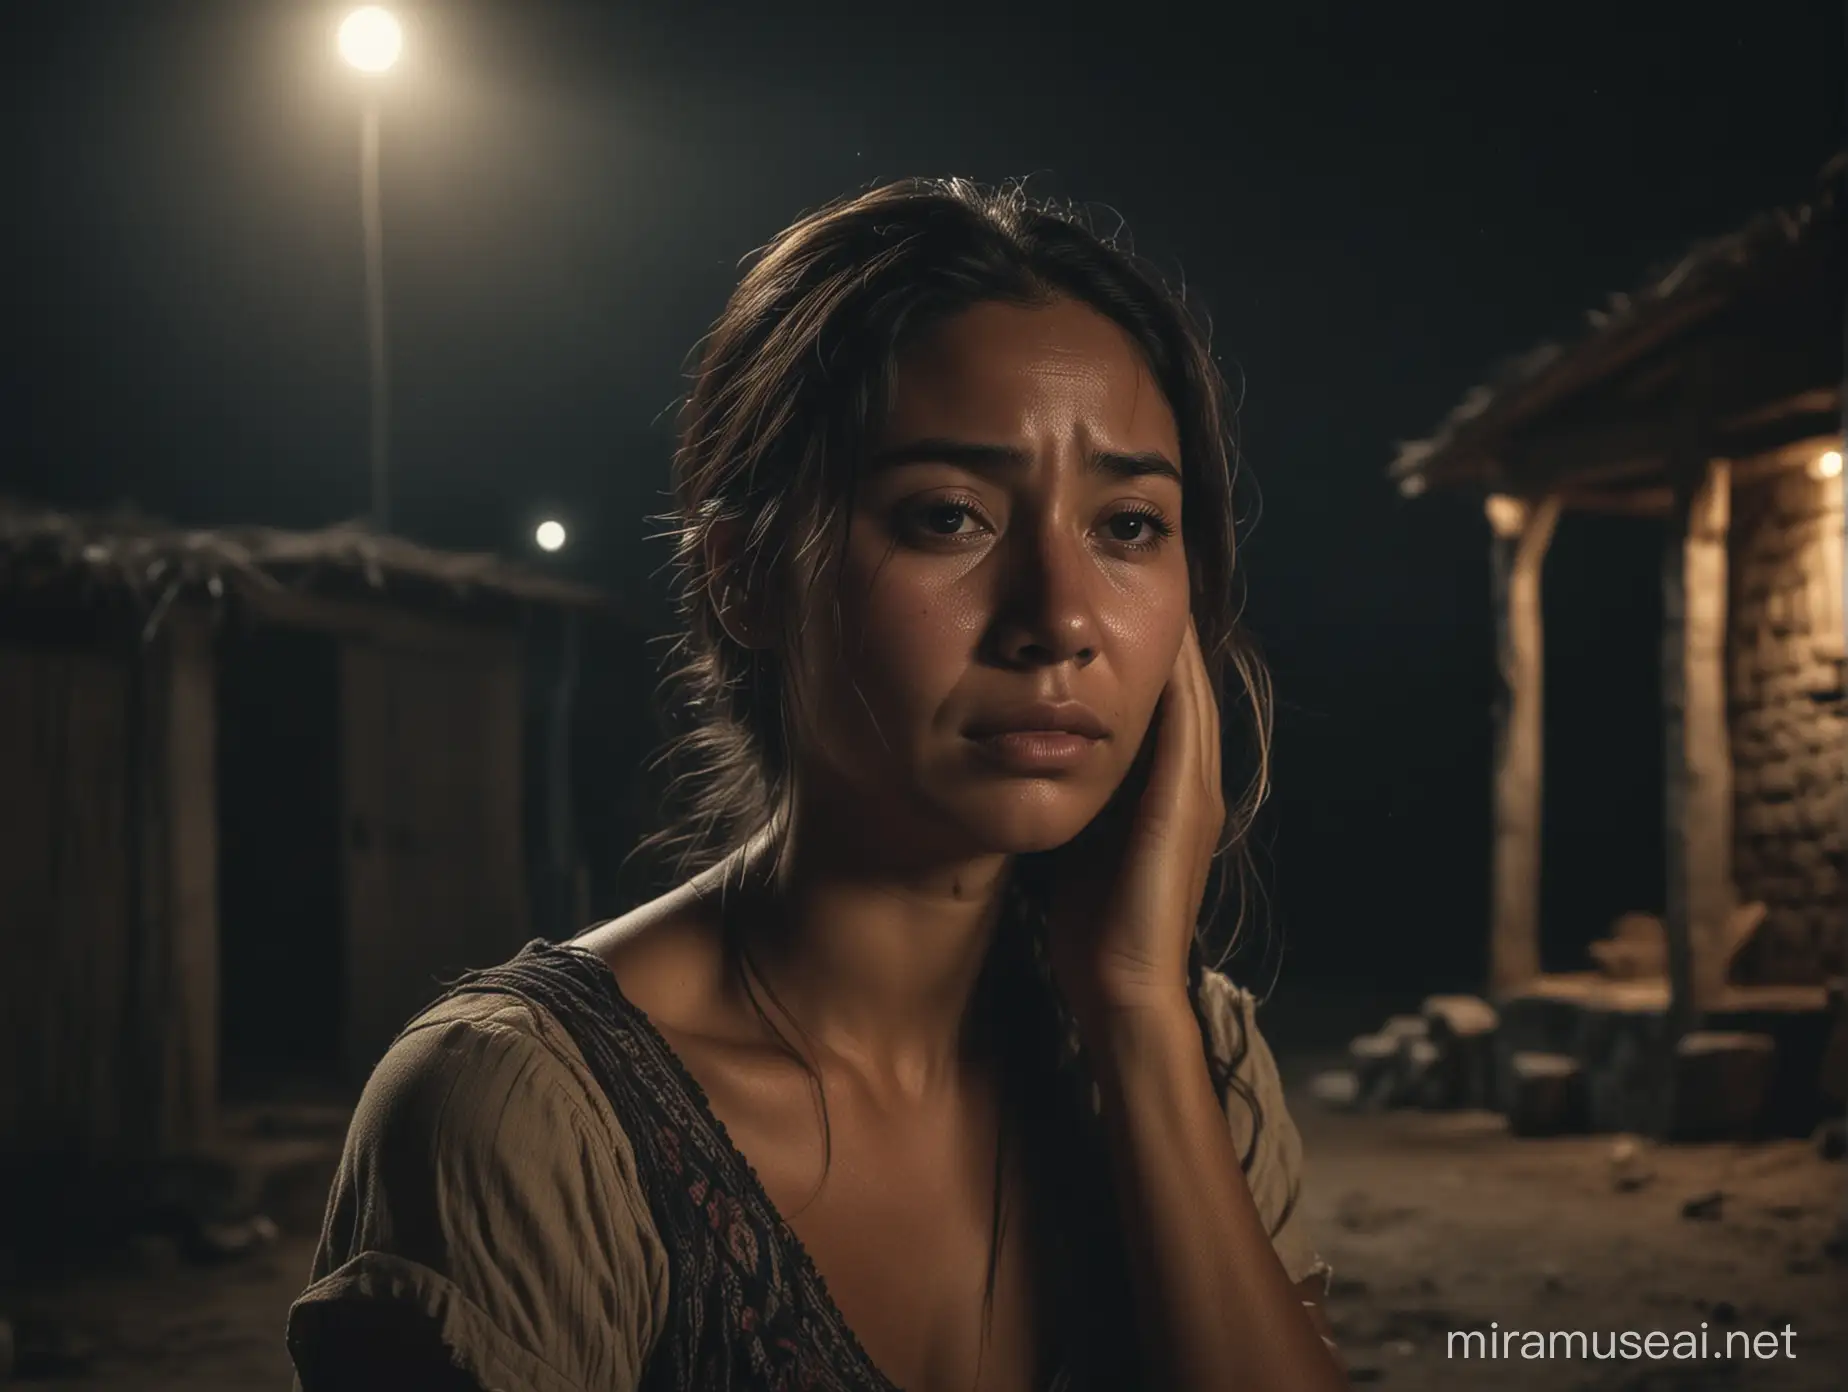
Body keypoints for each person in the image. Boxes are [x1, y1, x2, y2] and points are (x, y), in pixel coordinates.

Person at [286, 177, 1343, 1392]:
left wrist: (1137, 1019)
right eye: (949, 515)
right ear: (745, 578)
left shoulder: (1194, 1051)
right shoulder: (524, 1118)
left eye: (1130, 527)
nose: (1060, 620)